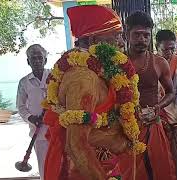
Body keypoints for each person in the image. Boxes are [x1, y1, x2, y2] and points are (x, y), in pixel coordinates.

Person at [42, 5, 131, 180]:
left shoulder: (96, 70)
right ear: (92, 41)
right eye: (116, 35)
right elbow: (76, 144)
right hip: (85, 172)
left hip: (104, 164)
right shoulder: (83, 78)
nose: (121, 42)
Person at [118, 11, 177, 180]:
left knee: (161, 171)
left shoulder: (159, 62)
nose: (142, 39)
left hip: (153, 126)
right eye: (137, 35)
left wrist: (157, 107)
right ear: (126, 35)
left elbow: (171, 93)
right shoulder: (116, 63)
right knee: (130, 174)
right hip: (125, 131)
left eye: (146, 35)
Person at [155, 29, 177, 180]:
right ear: (157, 47)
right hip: (155, 122)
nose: (169, 52)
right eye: (165, 49)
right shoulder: (150, 63)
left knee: (176, 162)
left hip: (172, 122)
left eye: (172, 49)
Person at [16, 44, 50, 180]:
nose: (37, 60)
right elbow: (20, 106)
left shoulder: (56, 76)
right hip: (39, 133)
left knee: (62, 166)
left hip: (59, 131)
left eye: (40, 57)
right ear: (28, 62)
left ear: (45, 60)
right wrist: (31, 118)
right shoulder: (24, 82)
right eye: (33, 58)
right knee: (44, 168)